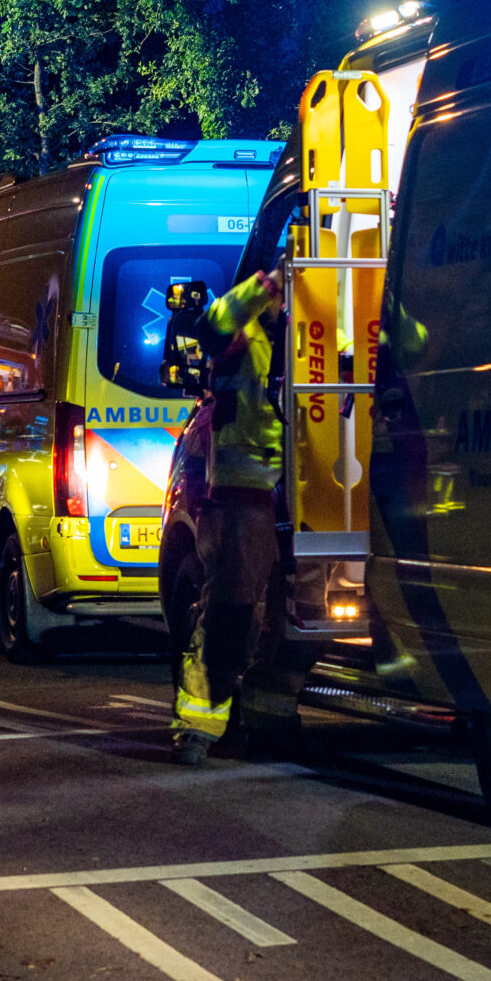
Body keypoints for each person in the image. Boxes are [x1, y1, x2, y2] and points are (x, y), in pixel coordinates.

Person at [170, 268, 285, 764]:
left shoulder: (334, 323)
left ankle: (270, 719)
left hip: (320, 494)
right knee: (230, 616)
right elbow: (212, 325)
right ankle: (198, 726)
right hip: (246, 495)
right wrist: (264, 284)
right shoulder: (245, 330)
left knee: (288, 621)